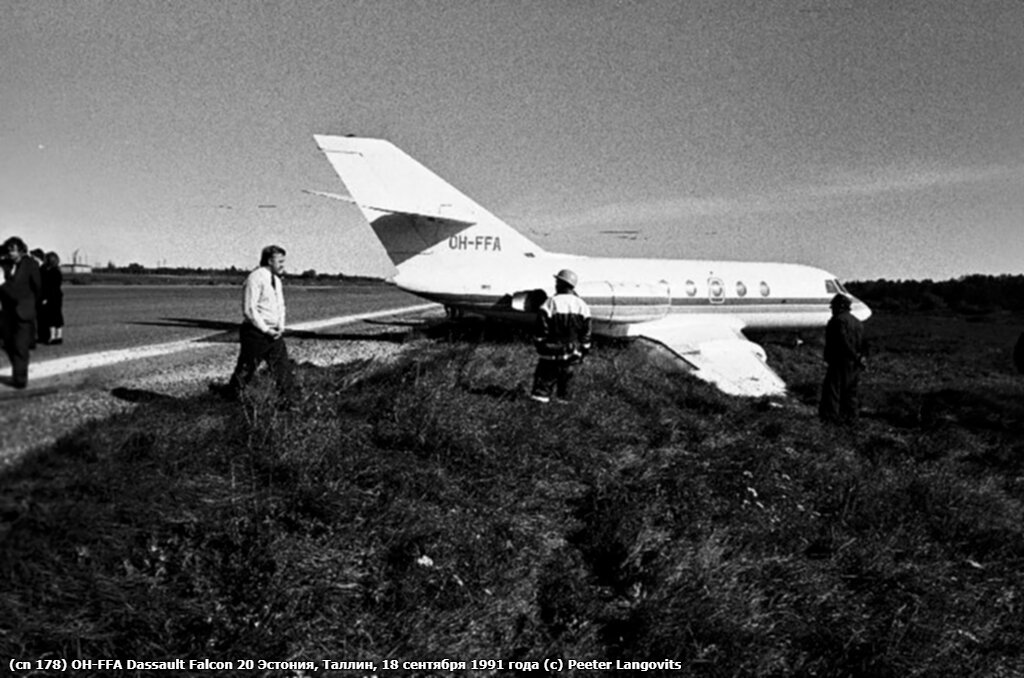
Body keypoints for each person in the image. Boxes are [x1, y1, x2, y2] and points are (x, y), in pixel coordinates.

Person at [222, 244, 295, 403]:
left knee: (283, 370)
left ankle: (288, 403)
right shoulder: (255, 278)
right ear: (269, 261)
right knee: (246, 370)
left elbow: (280, 305)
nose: (283, 265)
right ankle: (230, 398)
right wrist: (266, 329)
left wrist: (280, 326)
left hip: (275, 334)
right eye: (280, 261)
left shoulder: (277, 280)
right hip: (256, 334)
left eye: (284, 261)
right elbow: (249, 309)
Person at [530, 268, 592, 403]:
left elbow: (540, 330)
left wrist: (541, 345)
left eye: (557, 281)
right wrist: (583, 351)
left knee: (541, 393)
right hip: (572, 355)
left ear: (561, 284)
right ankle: (563, 416)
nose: (555, 284)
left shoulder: (550, 303)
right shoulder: (583, 306)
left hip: (549, 355)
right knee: (566, 394)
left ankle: (536, 416)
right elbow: (586, 334)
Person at [1, 237, 42, 388]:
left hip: (23, 311)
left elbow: (37, 287)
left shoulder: (30, 264)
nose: (10, 253)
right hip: (8, 312)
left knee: (20, 346)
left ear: (21, 250)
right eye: (8, 250)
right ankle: (18, 372)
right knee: (9, 346)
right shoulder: (6, 266)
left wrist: (29, 303)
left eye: (12, 250)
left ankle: (20, 380)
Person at [819, 293, 867, 424]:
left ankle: (831, 419)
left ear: (840, 307)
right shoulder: (858, 323)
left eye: (833, 307)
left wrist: (853, 355)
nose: (832, 310)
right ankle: (851, 419)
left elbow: (842, 341)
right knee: (851, 392)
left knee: (833, 390)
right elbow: (864, 343)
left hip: (840, 361)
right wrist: (861, 358)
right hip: (854, 364)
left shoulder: (837, 321)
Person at [39, 252, 64, 345]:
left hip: (50, 296)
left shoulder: (48, 272)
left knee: (50, 317)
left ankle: (52, 336)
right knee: (58, 315)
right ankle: (59, 336)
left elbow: (48, 287)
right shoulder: (57, 271)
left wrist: (45, 298)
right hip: (57, 296)